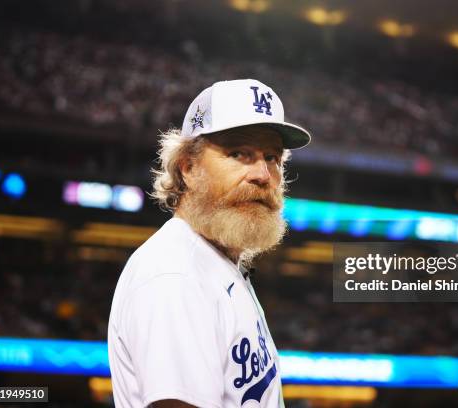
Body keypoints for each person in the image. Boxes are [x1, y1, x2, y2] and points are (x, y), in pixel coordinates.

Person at [107, 79, 311, 408]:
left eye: (272, 157)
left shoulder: (215, 262)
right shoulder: (175, 275)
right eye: (238, 153)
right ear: (188, 167)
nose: (263, 174)